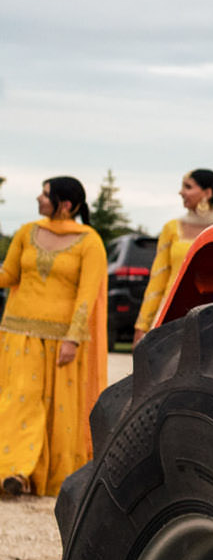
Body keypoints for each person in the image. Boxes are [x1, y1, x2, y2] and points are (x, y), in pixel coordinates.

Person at [0, 178, 106, 496]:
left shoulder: (89, 242)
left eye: (45, 194)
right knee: (20, 401)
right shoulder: (27, 231)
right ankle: (16, 471)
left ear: (66, 204)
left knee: (55, 412)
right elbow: (9, 275)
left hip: (63, 339)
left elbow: (87, 295)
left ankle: (36, 473)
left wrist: (73, 339)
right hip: (19, 332)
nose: (39, 198)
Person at [136, 168, 213, 337]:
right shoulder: (172, 228)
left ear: (207, 193)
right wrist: (142, 325)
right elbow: (158, 279)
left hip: (210, 315)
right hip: (170, 312)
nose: (181, 192)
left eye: (188, 187)